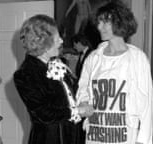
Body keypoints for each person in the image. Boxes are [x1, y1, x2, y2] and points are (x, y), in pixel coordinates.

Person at [76, 1, 153, 144]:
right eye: (99, 22)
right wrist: (84, 102)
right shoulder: (93, 58)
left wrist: (143, 140)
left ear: (120, 23)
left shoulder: (137, 58)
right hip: (95, 133)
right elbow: (83, 88)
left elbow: (146, 104)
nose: (99, 27)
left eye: (105, 22)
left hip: (124, 135)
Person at [13, 14, 93, 144]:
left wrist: (82, 101)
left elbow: (71, 94)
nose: (61, 41)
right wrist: (78, 111)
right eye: (57, 38)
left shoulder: (58, 64)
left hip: (73, 136)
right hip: (50, 139)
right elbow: (44, 113)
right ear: (43, 42)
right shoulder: (25, 74)